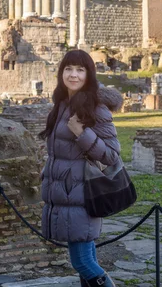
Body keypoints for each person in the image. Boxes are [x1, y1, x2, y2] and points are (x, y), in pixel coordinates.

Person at [39, 50, 123, 287]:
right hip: (65, 194)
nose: (73, 75)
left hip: (82, 194)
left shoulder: (96, 108)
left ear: (89, 74)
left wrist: (82, 133)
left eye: (80, 69)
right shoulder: (62, 104)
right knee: (86, 259)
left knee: (82, 262)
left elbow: (111, 155)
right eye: (68, 69)